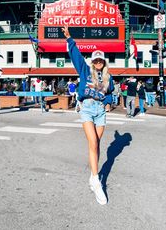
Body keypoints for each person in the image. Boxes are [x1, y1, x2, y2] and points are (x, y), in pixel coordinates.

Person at [61, 25, 114, 205]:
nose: (98, 63)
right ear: (92, 62)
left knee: (96, 145)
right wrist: (69, 38)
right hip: (87, 109)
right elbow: (75, 55)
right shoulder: (85, 70)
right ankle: (96, 180)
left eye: (101, 61)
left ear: (104, 62)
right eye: (96, 60)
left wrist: (107, 104)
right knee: (92, 142)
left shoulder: (108, 77)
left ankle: (92, 177)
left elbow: (109, 94)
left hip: (100, 112)